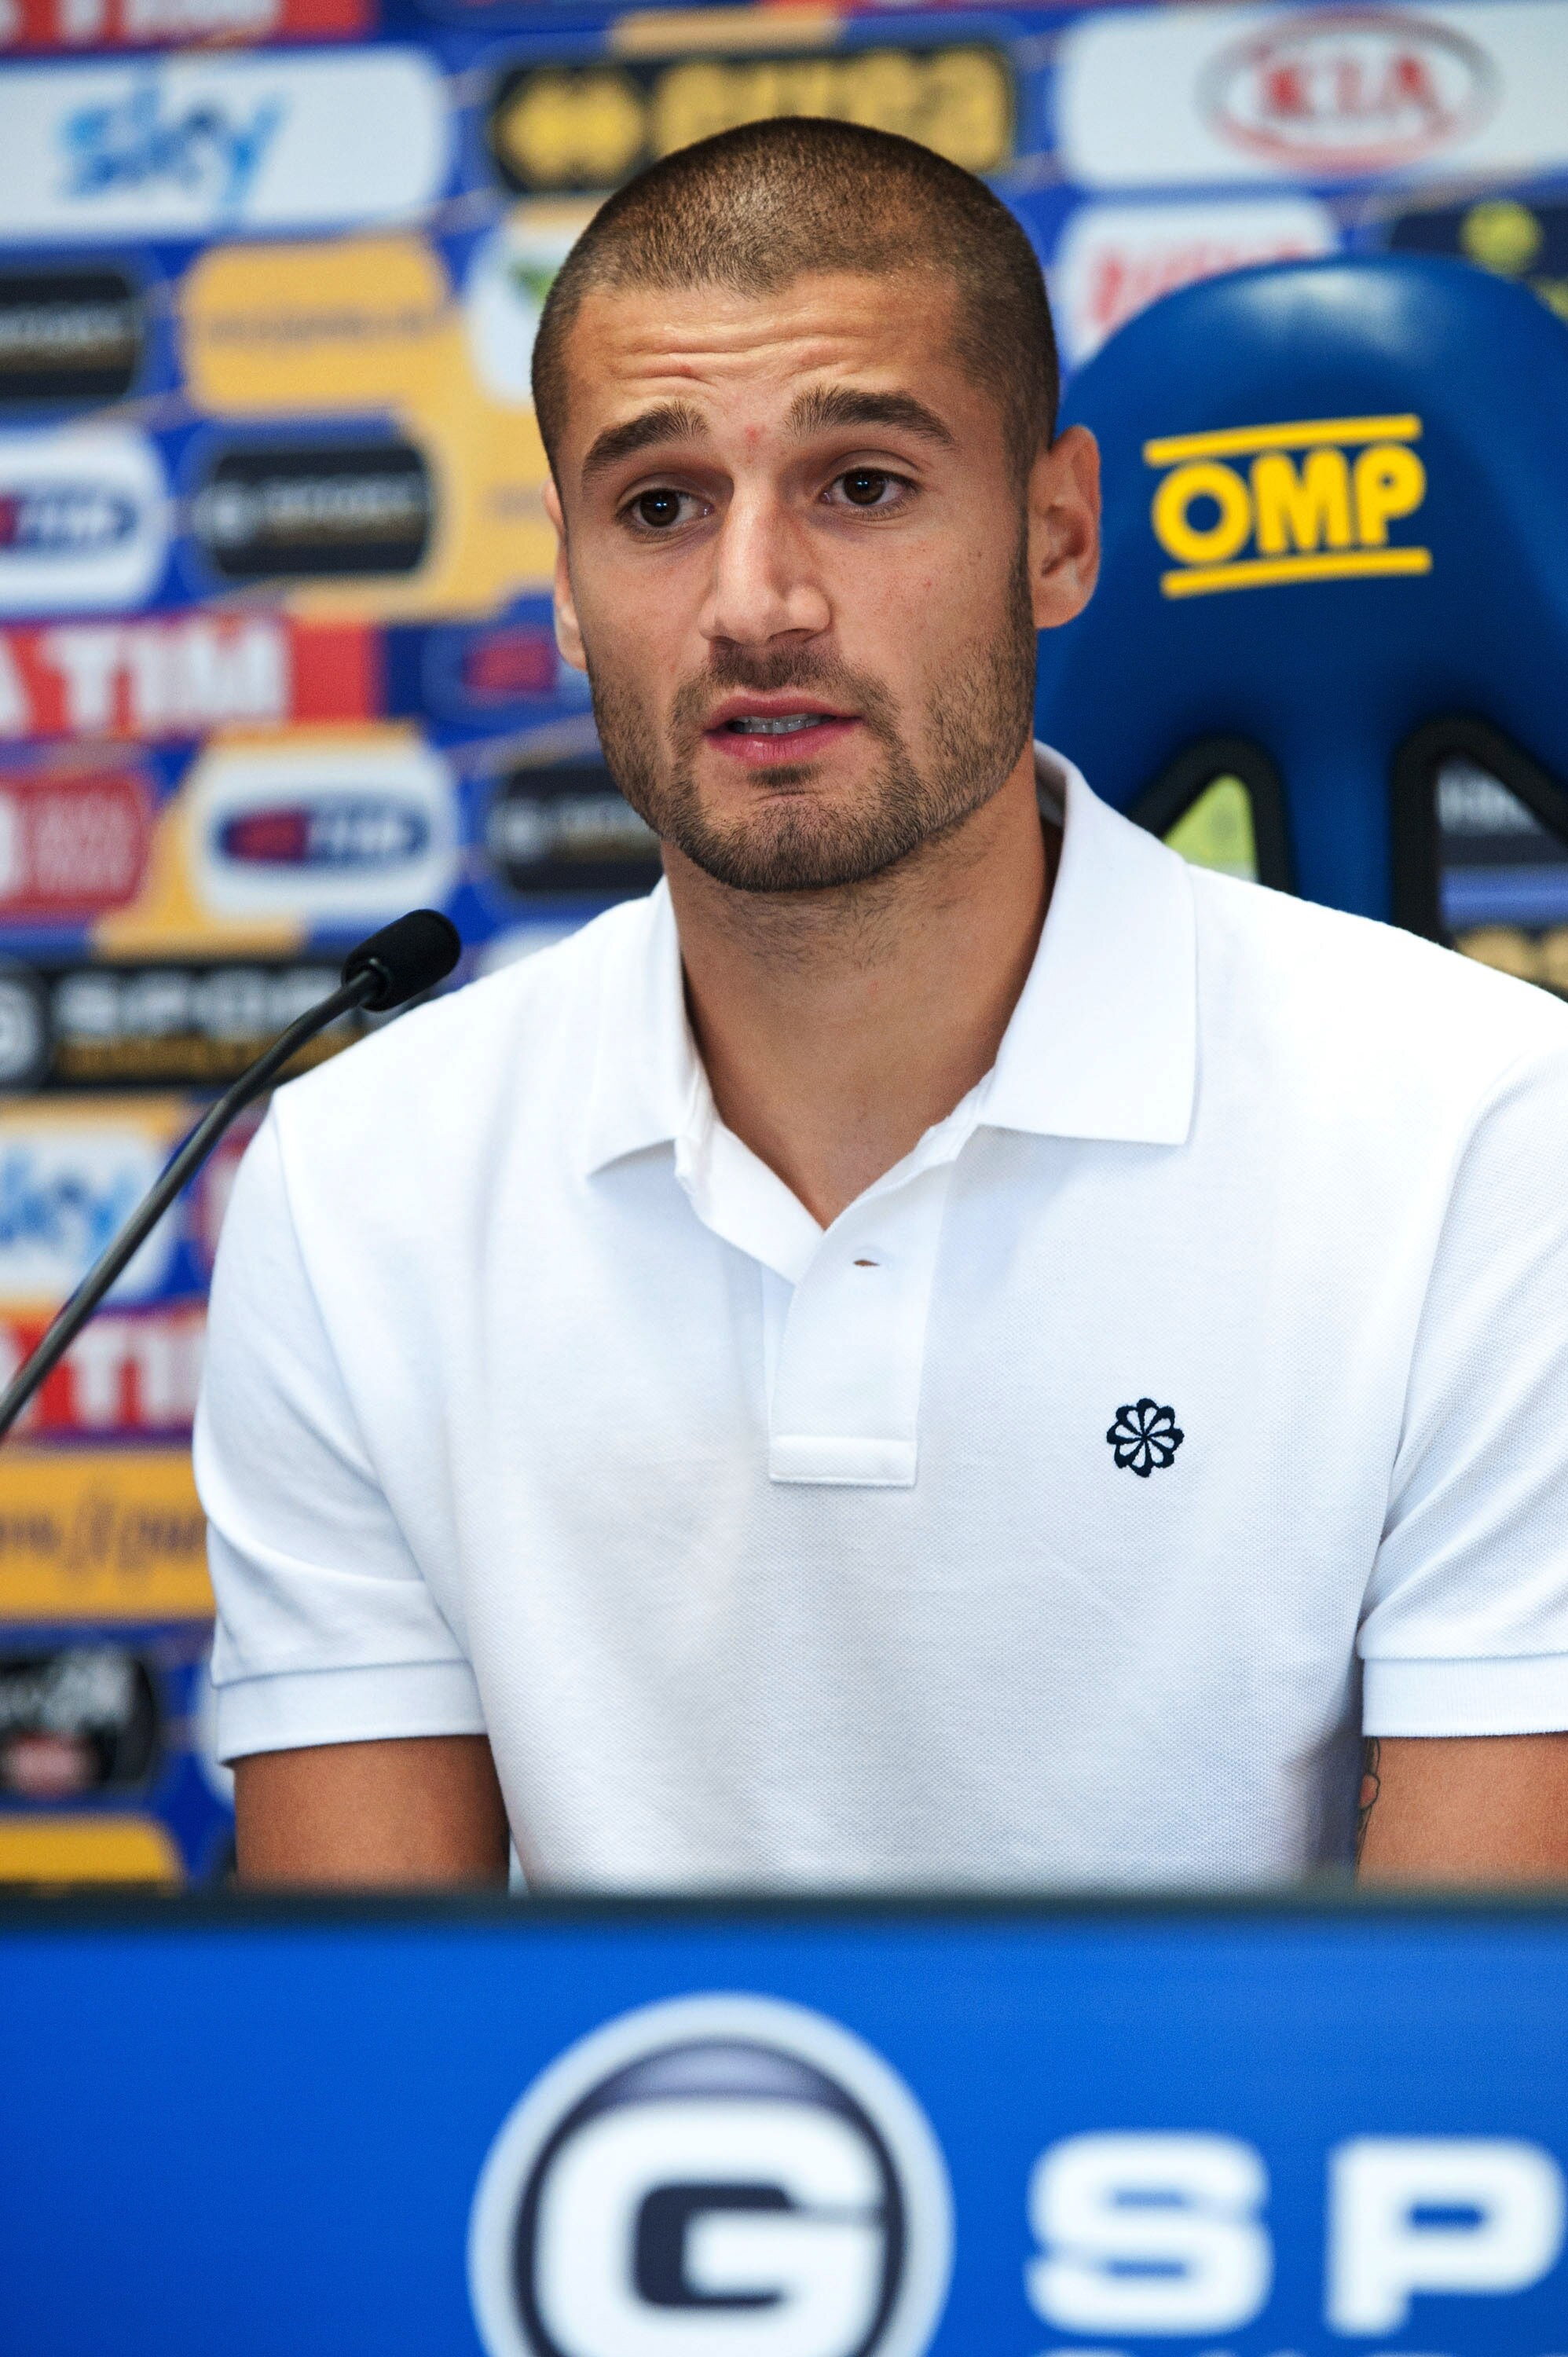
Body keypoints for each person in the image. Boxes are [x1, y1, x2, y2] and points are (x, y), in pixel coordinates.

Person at [197, 117, 1568, 1892]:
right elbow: (373, 2058)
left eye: (860, 484)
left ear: (1057, 535)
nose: (753, 605)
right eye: (660, 506)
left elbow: (1448, 2054)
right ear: (562, 575)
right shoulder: (353, 1182)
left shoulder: (1487, 1131)